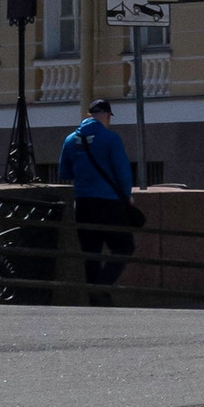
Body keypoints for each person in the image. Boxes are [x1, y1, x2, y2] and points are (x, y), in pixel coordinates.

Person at [59, 95, 136, 298]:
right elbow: (123, 172)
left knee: (91, 254)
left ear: (89, 115)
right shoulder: (111, 138)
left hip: (83, 203)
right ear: (107, 116)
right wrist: (127, 195)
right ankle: (101, 287)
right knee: (124, 246)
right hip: (108, 202)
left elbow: (64, 172)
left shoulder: (69, 140)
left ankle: (95, 300)